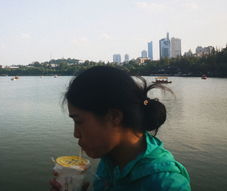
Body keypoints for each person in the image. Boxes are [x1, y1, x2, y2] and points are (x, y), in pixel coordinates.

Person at [50, 66, 191, 191]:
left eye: (79, 121)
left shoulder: (166, 185)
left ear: (114, 116)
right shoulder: (110, 161)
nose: (76, 134)